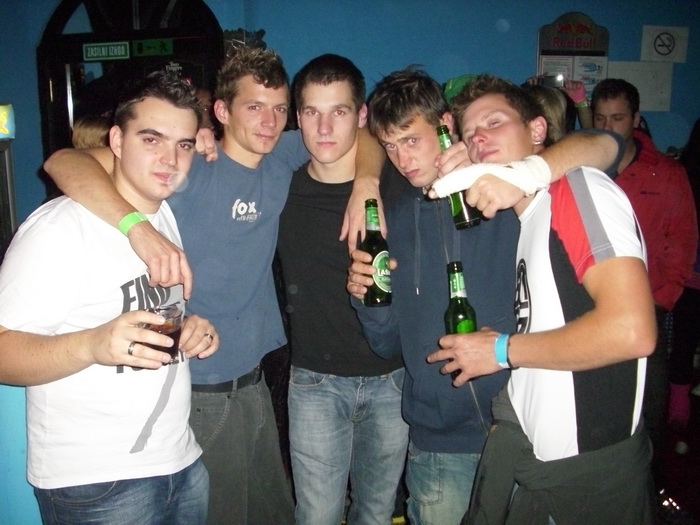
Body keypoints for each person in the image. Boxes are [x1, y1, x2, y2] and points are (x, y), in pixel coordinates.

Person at [43, 46, 385, 525]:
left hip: (254, 379)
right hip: (199, 384)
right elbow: (64, 162)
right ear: (222, 111)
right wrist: (136, 228)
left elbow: (360, 133)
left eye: (279, 109)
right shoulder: (190, 167)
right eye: (254, 107)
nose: (269, 121)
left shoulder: (281, 156)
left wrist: (367, 183)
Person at [347, 67, 623, 525]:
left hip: (525, 435)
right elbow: (388, 345)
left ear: (445, 126)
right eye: (391, 146)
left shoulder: (506, 189)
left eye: (411, 140)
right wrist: (368, 300)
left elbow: (606, 145)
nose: (403, 159)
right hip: (440, 444)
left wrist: (524, 172)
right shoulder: (397, 220)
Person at [424, 73, 656, 524]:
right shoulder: (530, 217)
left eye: (494, 122)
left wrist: (500, 350)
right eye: (470, 134)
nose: (480, 138)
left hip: (589, 480)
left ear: (536, 129)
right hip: (543, 467)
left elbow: (631, 331)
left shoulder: (577, 189)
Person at [0, 71, 219, 524]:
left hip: (179, 461)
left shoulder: (162, 215)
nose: (170, 159)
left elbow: (130, 305)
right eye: (152, 139)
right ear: (116, 141)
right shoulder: (60, 228)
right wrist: (92, 344)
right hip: (97, 483)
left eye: (183, 144)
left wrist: (191, 326)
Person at [278, 53, 408, 525]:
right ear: (297, 118)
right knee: (316, 516)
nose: (325, 127)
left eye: (339, 111)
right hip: (314, 381)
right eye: (312, 112)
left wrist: (368, 179)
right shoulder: (281, 190)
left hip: (392, 379)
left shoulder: (400, 185)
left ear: (362, 115)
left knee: (376, 515)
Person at [591, 78, 698, 492]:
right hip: (590, 309)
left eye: (617, 118)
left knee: (648, 410)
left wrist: (659, 303)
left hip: (646, 310)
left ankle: (651, 492)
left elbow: (682, 243)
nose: (608, 127)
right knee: (598, 409)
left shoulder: (666, 173)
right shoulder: (584, 172)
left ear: (636, 119)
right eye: (600, 118)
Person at [669, 117, 700, 432]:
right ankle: (679, 408)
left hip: (689, 275)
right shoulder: (684, 175)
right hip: (690, 275)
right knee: (684, 344)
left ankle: (679, 409)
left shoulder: (685, 173)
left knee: (683, 344)